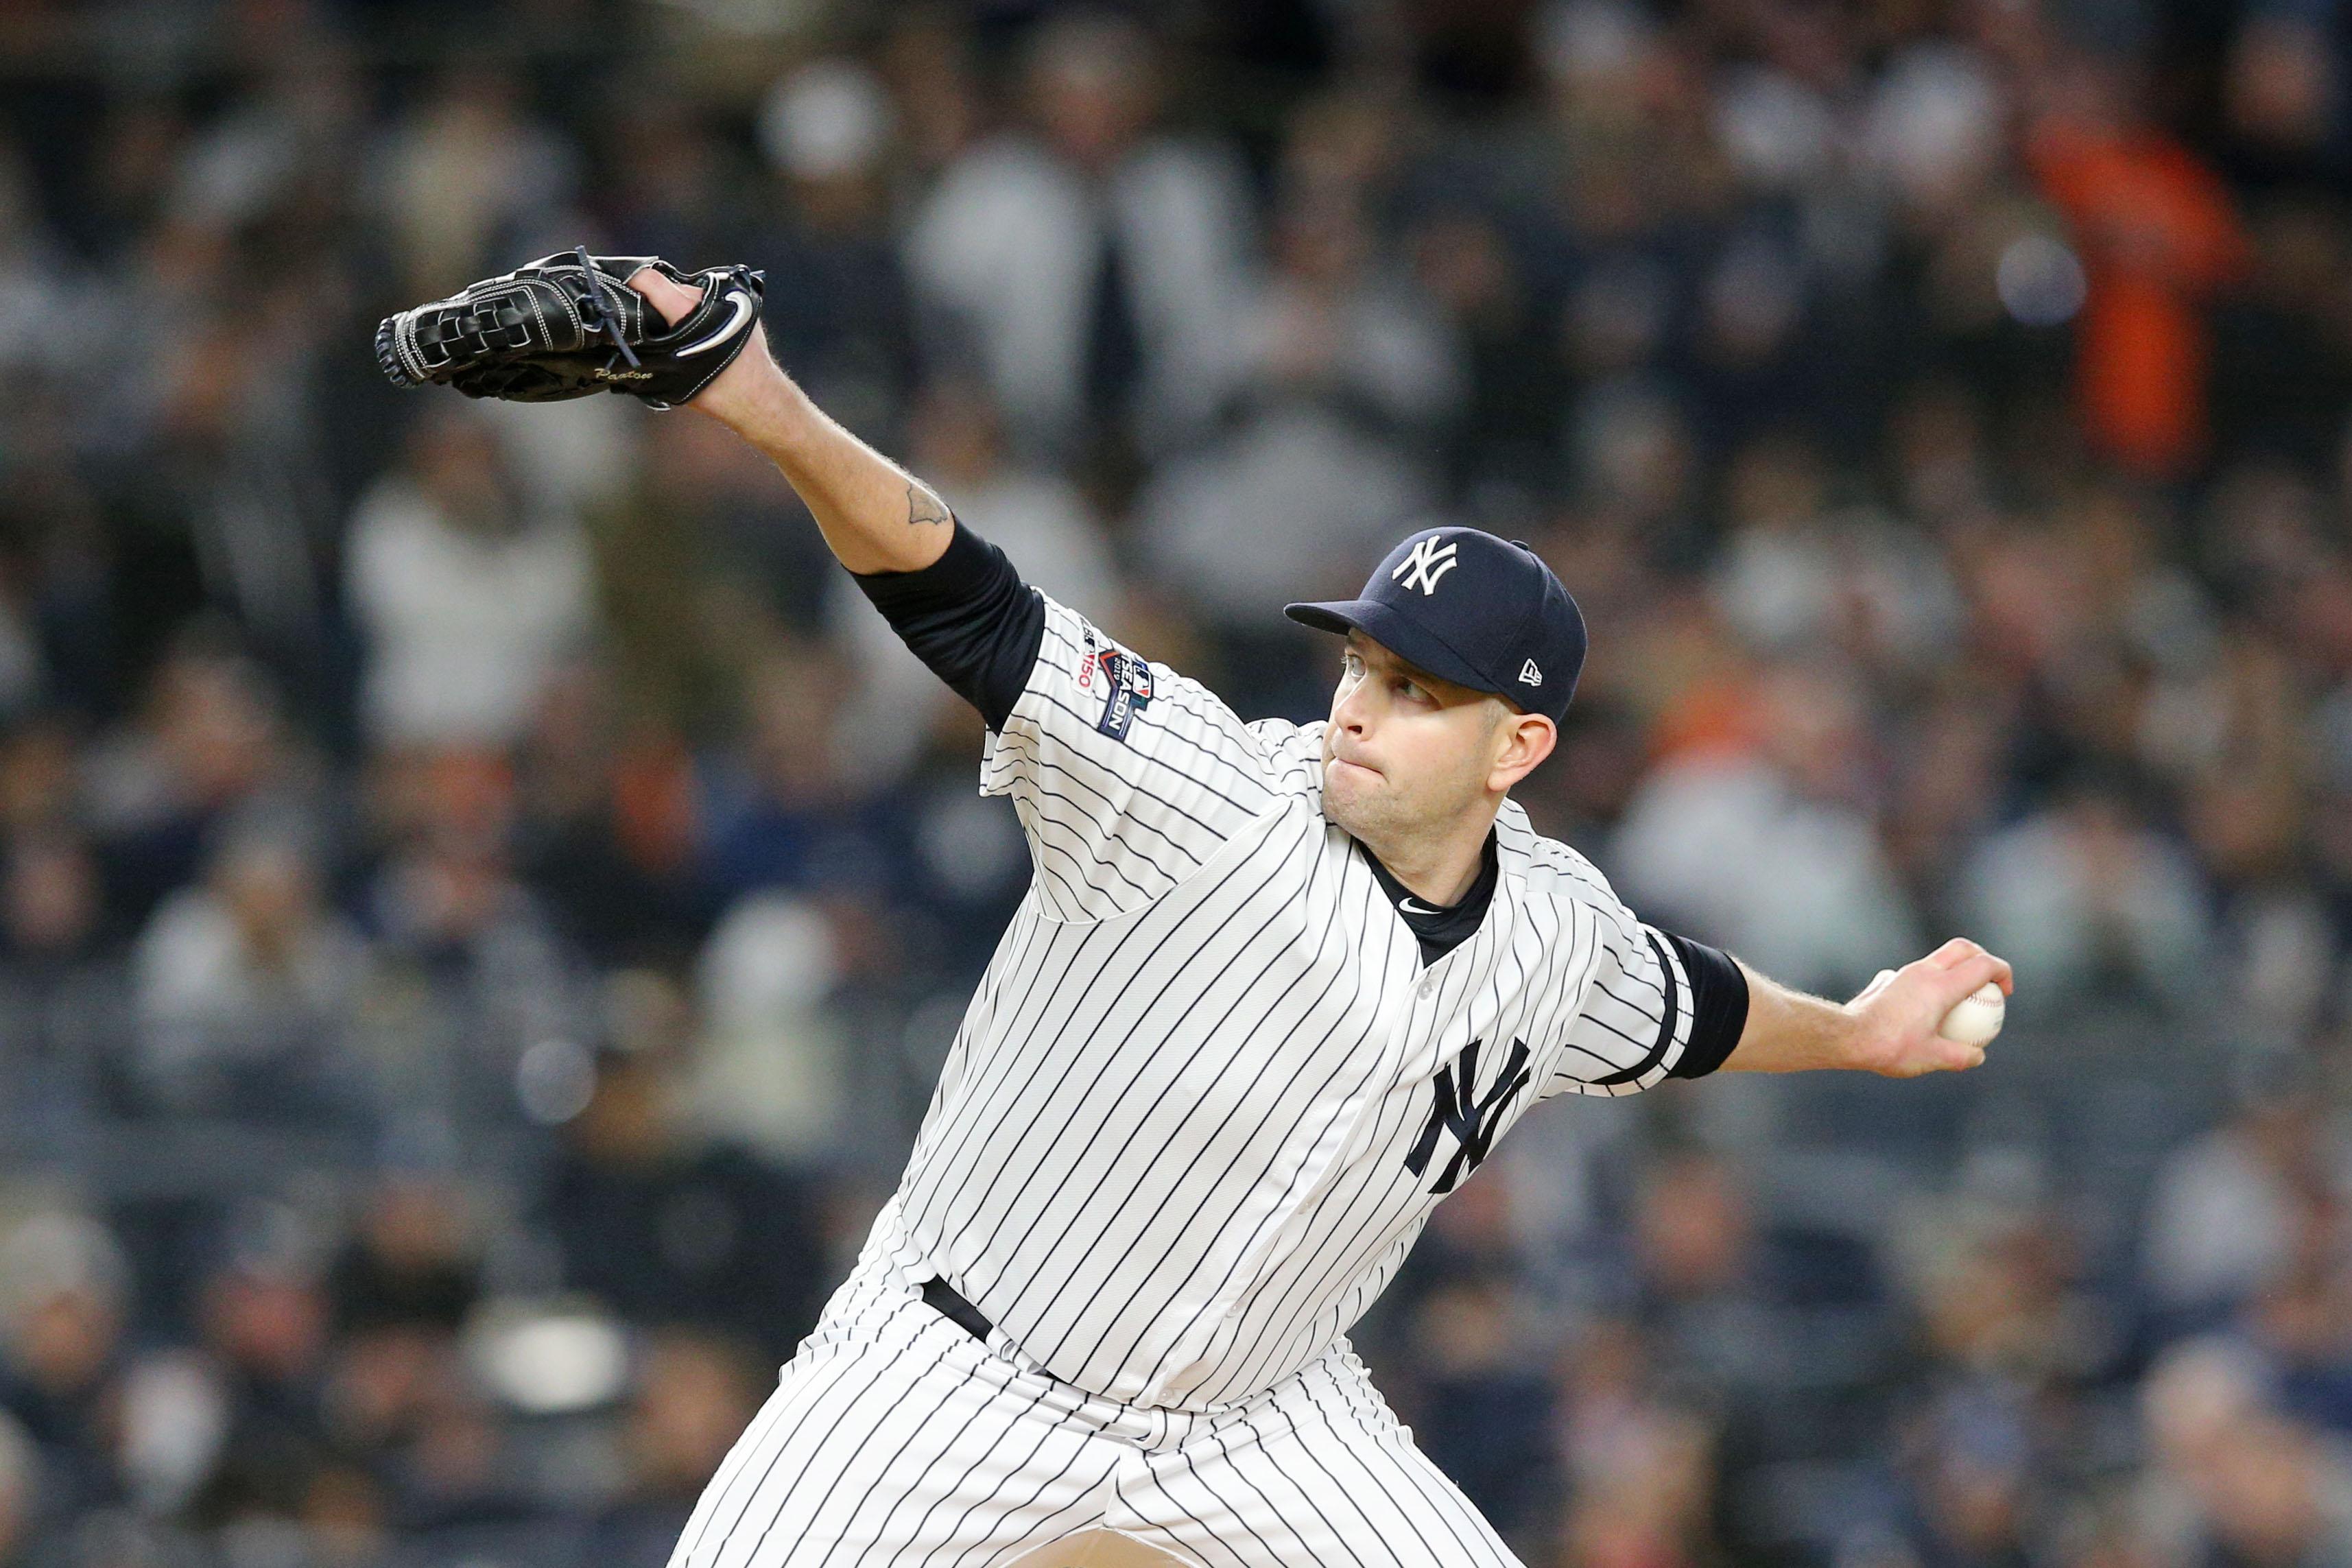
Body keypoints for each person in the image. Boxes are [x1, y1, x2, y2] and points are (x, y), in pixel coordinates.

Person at [538, 263, 2014, 1567]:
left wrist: (1855, 1032)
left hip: (1261, 1422)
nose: (1360, 710)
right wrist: (764, 403)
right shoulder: (1198, 786)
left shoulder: (1554, 939)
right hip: (954, 1371)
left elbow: (1688, 1009)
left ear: (1520, 748)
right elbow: (970, 602)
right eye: (1362, 667)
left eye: (1418, 693)